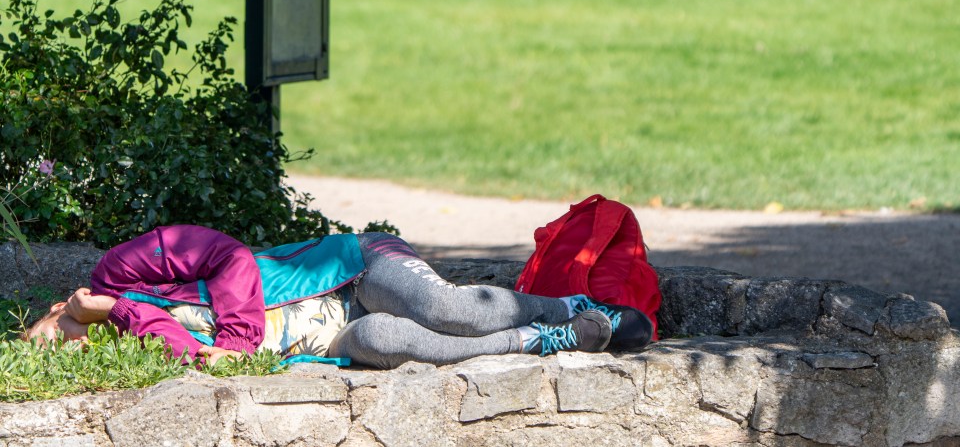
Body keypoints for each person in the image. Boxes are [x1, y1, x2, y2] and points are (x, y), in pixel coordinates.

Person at [24, 225, 654, 369]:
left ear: (59, 308)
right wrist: (124, 317)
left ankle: (569, 306)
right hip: (333, 338)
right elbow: (195, 356)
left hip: (351, 269)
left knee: (444, 310)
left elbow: (227, 255)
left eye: (57, 336)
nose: (73, 345)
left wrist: (114, 299)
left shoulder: (117, 273)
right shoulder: (133, 337)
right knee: (392, 343)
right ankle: (544, 342)